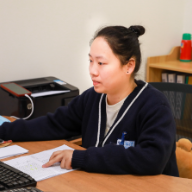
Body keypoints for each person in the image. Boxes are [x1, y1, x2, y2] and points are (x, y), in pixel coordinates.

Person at [0, 25, 179, 176]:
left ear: (129, 66)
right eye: (91, 61)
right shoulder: (92, 97)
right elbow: (53, 125)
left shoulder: (154, 105)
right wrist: (4, 130)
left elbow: (151, 159)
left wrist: (80, 157)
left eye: (101, 63)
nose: (92, 70)